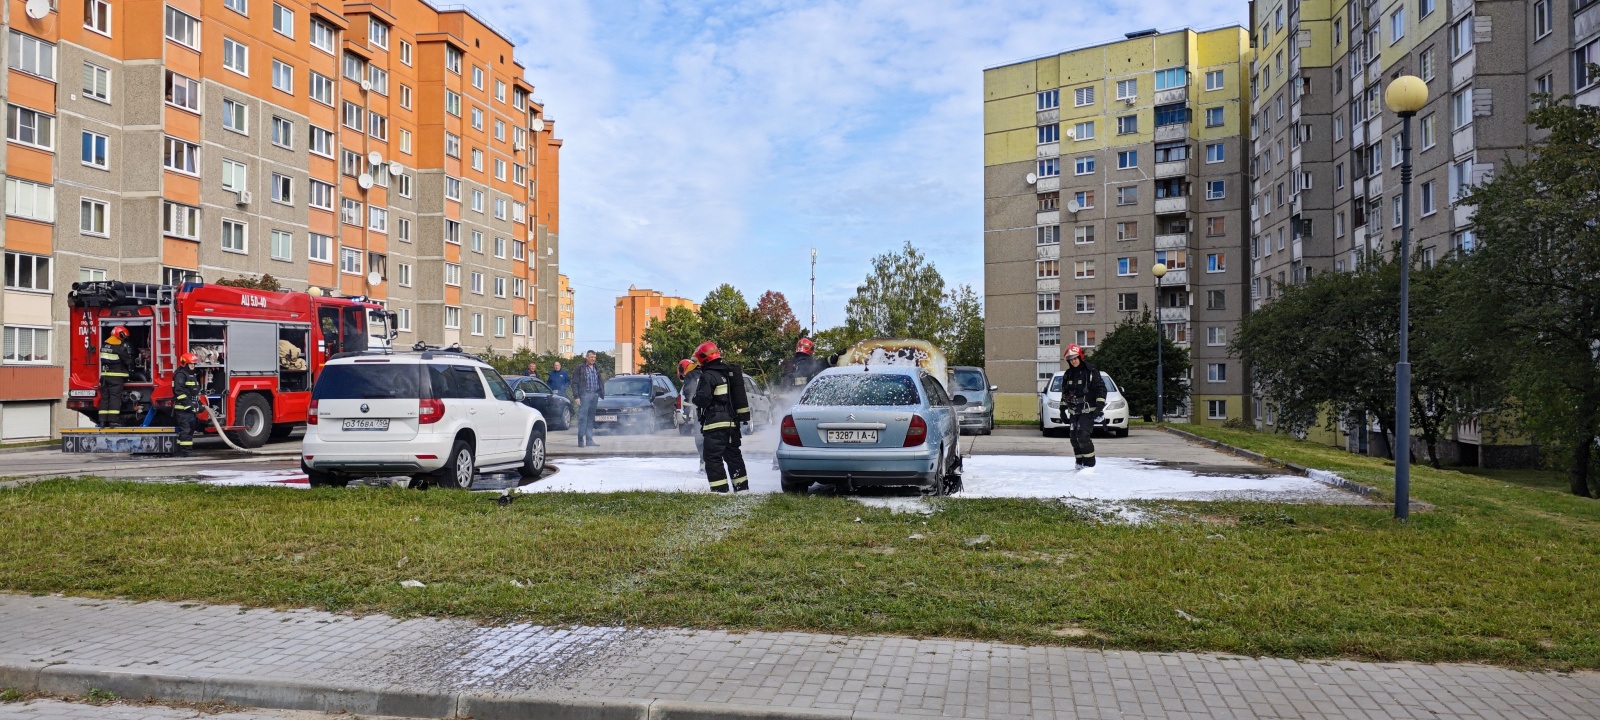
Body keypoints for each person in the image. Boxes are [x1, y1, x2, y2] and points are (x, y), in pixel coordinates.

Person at [692, 341, 751, 493]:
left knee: (712, 458)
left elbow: (703, 400)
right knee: (733, 456)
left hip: (715, 425)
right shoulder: (728, 373)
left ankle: (720, 491)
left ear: (704, 359)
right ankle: (742, 489)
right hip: (732, 424)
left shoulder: (708, 375)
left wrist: (695, 398)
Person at [1058, 344, 1107, 469]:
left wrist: (1099, 408)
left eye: (1075, 358)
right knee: (1074, 439)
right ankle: (1079, 464)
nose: (1073, 361)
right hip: (1074, 411)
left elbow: (1101, 389)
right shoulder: (1068, 374)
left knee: (1083, 436)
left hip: (1088, 410)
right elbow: (1064, 393)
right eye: (1071, 359)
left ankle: (1089, 467)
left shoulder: (1090, 371)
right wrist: (1062, 410)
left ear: (1080, 357)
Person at [98, 326, 135, 428]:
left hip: (105, 377)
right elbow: (128, 361)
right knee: (114, 398)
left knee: (105, 398)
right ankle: (113, 421)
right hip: (116, 378)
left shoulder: (104, 346)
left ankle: (102, 421)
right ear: (121, 335)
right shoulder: (120, 348)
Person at [172, 353, 203, 456]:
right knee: (186, 430)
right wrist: (188, 405)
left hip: (190, 409)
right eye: (191, 364)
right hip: (183, 409)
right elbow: (179, 392)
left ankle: (183, 451)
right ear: (184, 364)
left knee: (190, 429)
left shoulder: (191, 375)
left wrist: (199, 404)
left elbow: (194, 392)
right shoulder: (180, 375)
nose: (193, 366)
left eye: (194, 364)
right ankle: (185, 452)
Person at [572, 351, 605, 447]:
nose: (593, 359)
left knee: (590, 419)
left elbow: (599, 381)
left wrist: (598, 393)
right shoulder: (580, 368)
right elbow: (574, 383)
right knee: (583, 418)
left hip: (594, 396)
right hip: (584, 396)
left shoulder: (596, 368)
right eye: (591, 357)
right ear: (587, 357)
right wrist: (576, 397)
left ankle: (589, 440)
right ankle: (581, 441)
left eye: (594, 357)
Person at [678, 358, 705, 468]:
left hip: (699, 414)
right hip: (712, 413)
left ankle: (703, 464)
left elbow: (689, 396)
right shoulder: (704, 373)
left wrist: (686, 412)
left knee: (699, 438)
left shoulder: (690, 376)